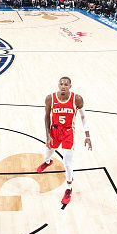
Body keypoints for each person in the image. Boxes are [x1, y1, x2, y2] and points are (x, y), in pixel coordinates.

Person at [36, 76, 92, 205]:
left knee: (67, 162)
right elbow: (46, 117)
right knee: (48, 154)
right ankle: (47, 162)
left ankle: (68, 188)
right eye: (61, 84)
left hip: (68, 133)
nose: (63, 86)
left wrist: (87, 135)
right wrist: (47, 135)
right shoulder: (50, 98)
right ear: (58, 85)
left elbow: (83, 116)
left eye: (66, 84)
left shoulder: (77, 99)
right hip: (54, 131)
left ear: (70, 86)